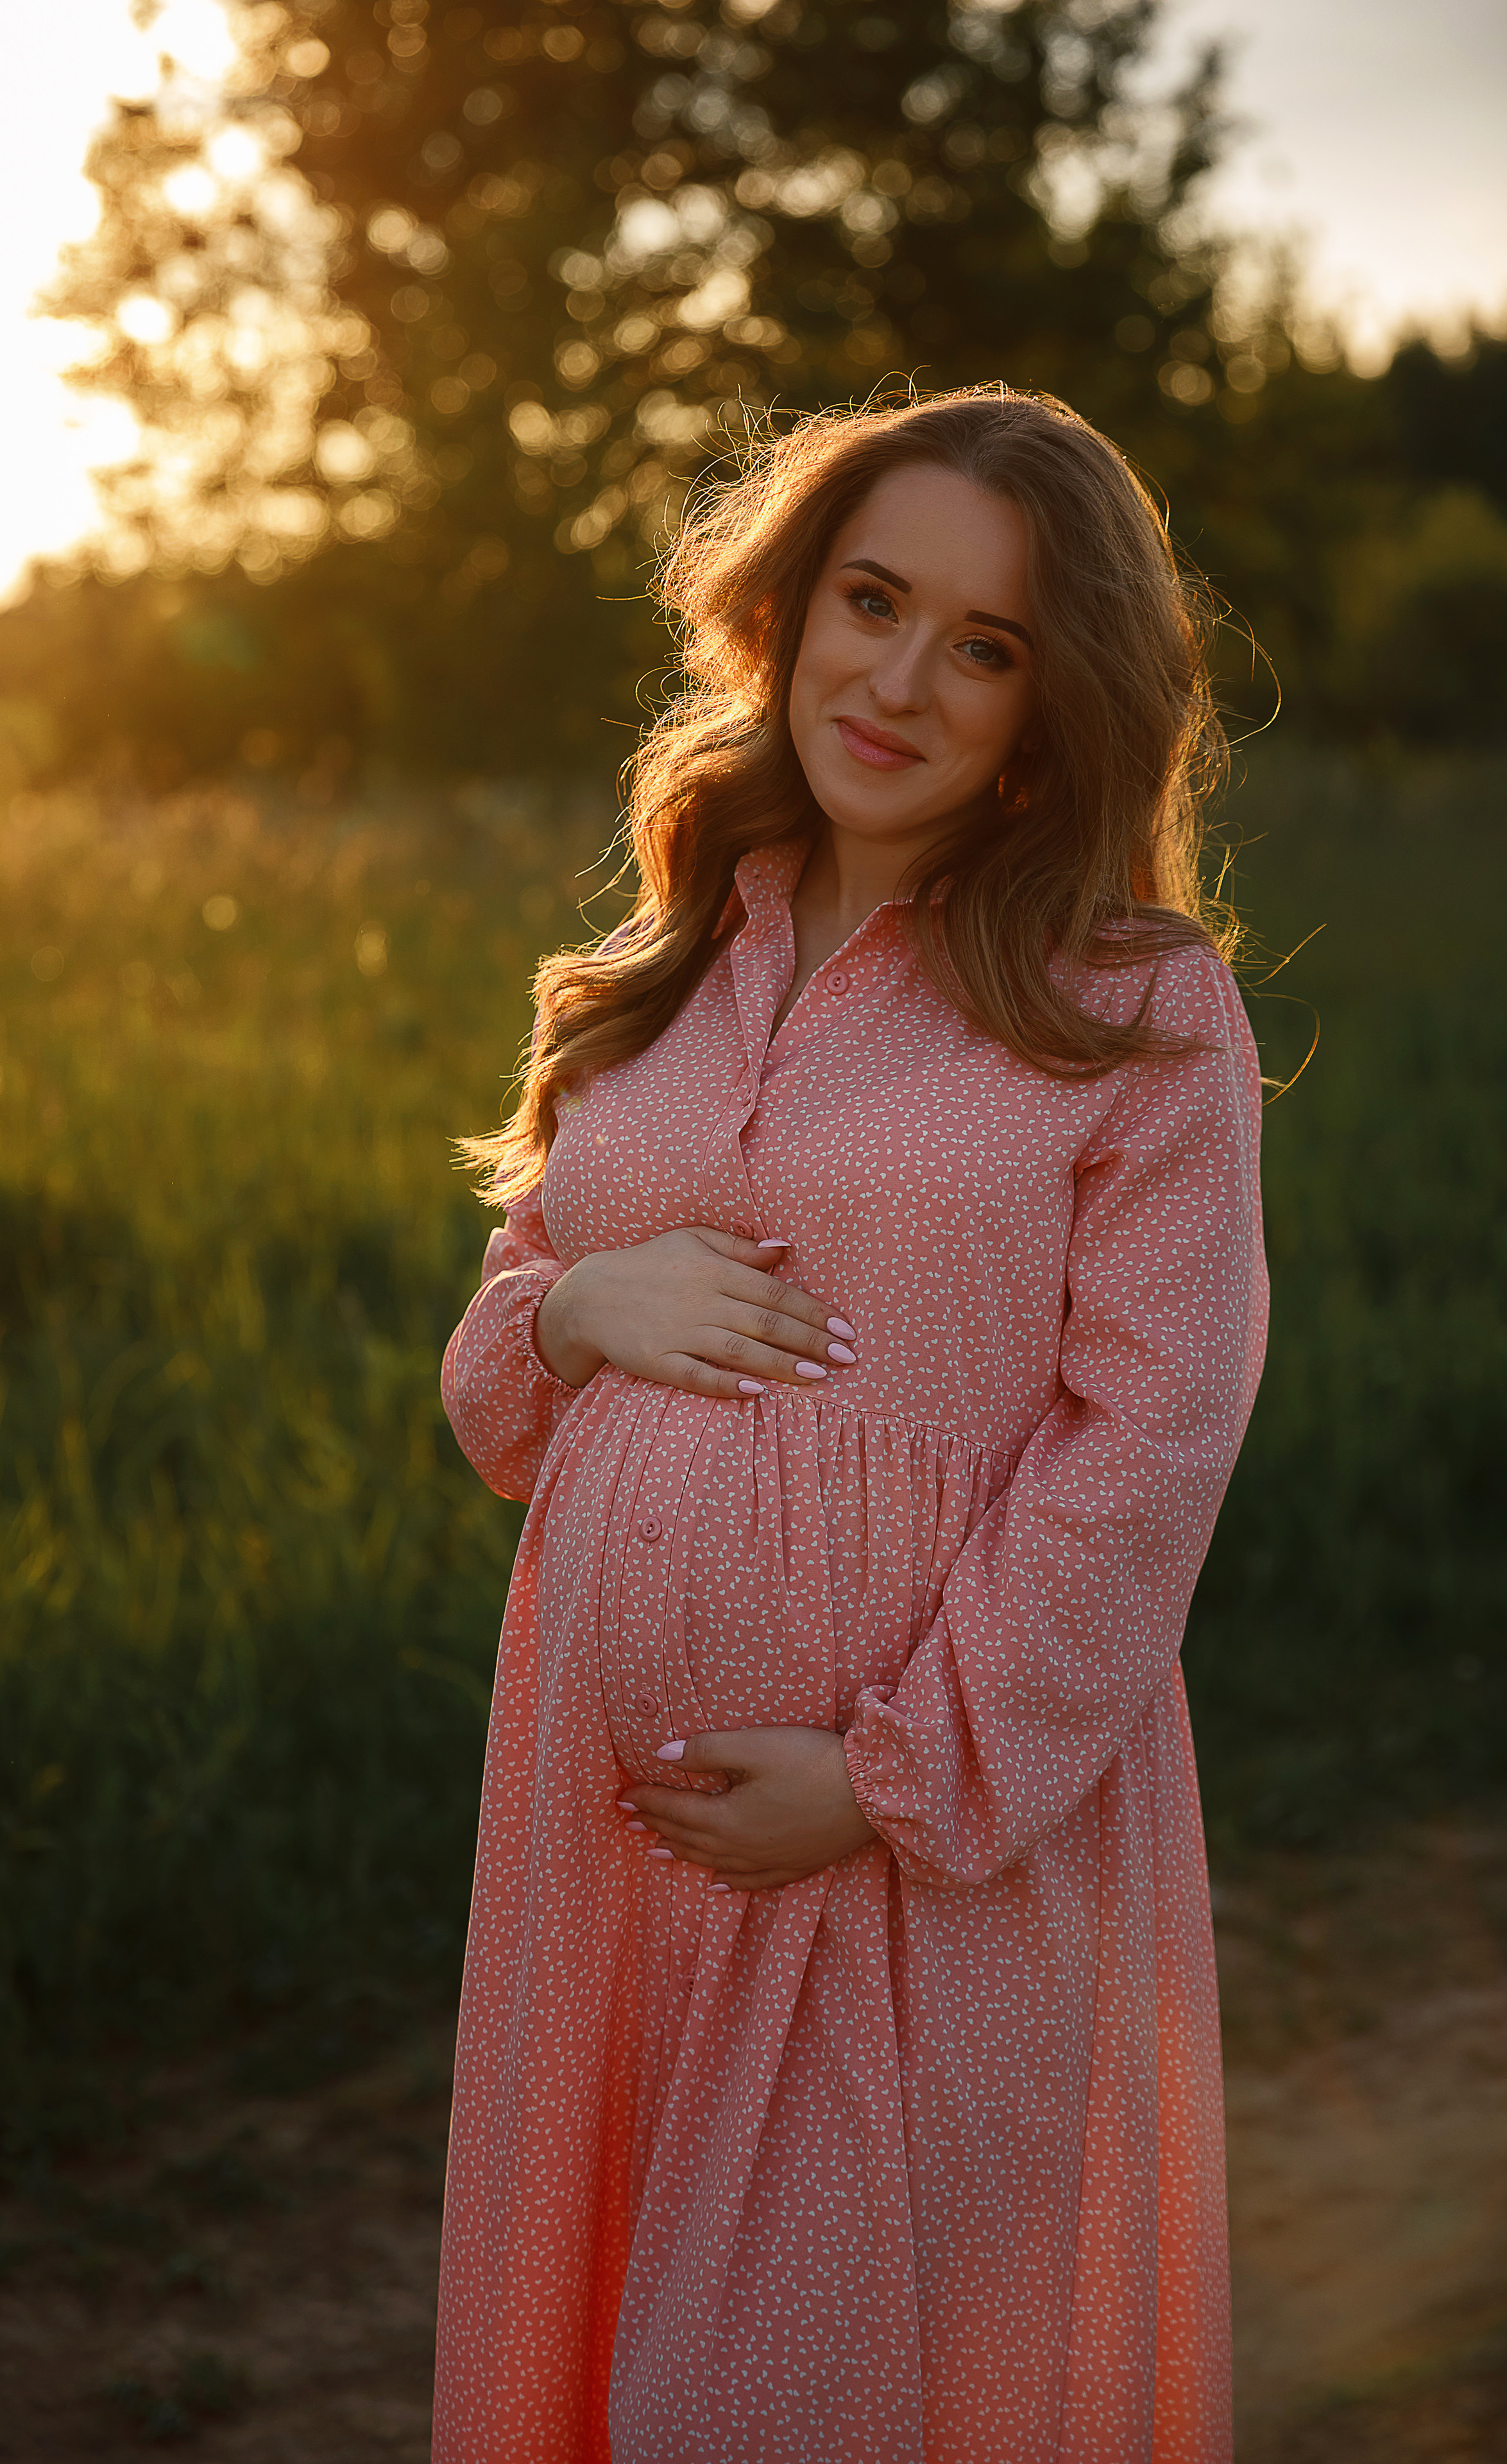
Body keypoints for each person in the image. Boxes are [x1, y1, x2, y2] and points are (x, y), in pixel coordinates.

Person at [434, 386, 1266, 2464]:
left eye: (980, 643)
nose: (898, 678)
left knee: (793, 2404)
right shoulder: (673, 949)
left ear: (1051, 701)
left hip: (915, 1852)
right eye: (870, 601)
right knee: (629, 2365)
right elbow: (492, 1390)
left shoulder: (1133, 998)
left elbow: (1147, 1446)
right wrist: (579, 1310)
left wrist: (896, 1780)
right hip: (608, 1857)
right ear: (787, 613)